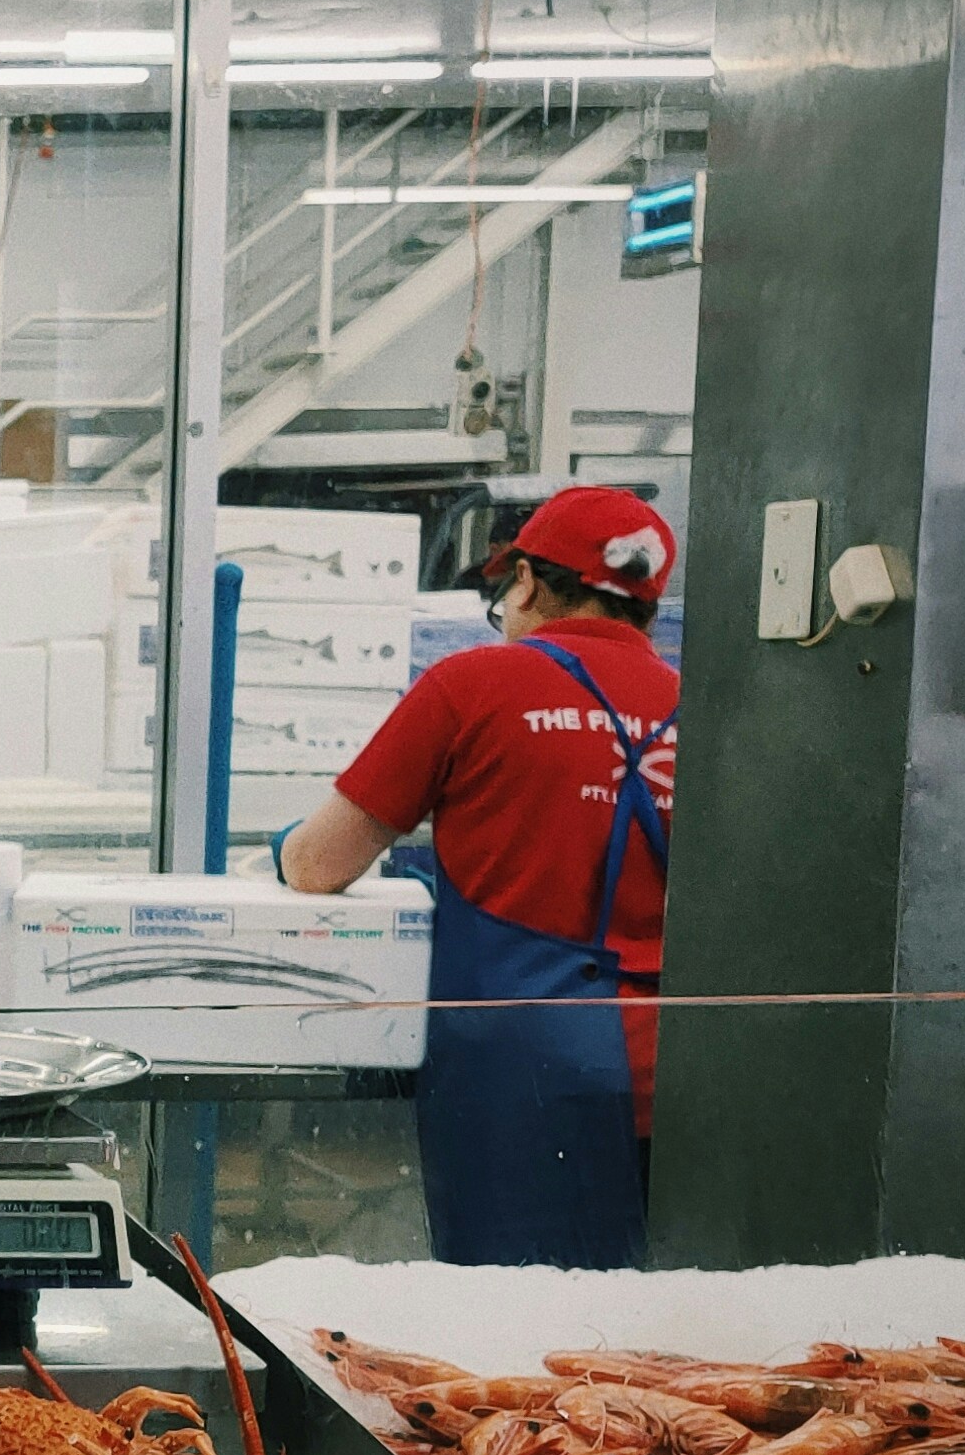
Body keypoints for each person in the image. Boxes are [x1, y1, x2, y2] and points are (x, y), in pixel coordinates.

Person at [271, 485, 680, 1269]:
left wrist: (286, 843)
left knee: (513, 1323)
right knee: (652, 1325)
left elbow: (318, 866)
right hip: (679, 1075)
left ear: (524, 581)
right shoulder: (697, 708)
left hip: (522, 1078)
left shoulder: (470, 685)